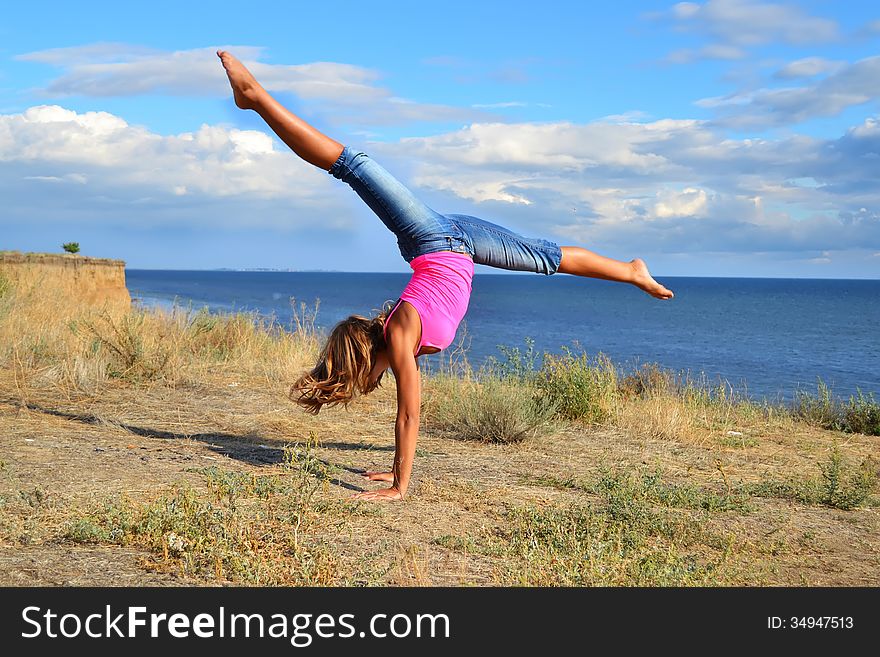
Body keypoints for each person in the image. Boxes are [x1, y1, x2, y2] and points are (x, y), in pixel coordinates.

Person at [217, 51, 674, 501]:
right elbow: (407, 412)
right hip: (464, 243)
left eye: (369, 380)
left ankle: (255, 97)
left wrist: (400, 484)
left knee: (351, 167)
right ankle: (632, 271)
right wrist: (391, 464)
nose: (377, 384)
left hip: (430, 237)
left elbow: (409, 416)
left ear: (368, 357)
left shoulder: (399, 337)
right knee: (548, 259)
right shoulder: (404, 341)